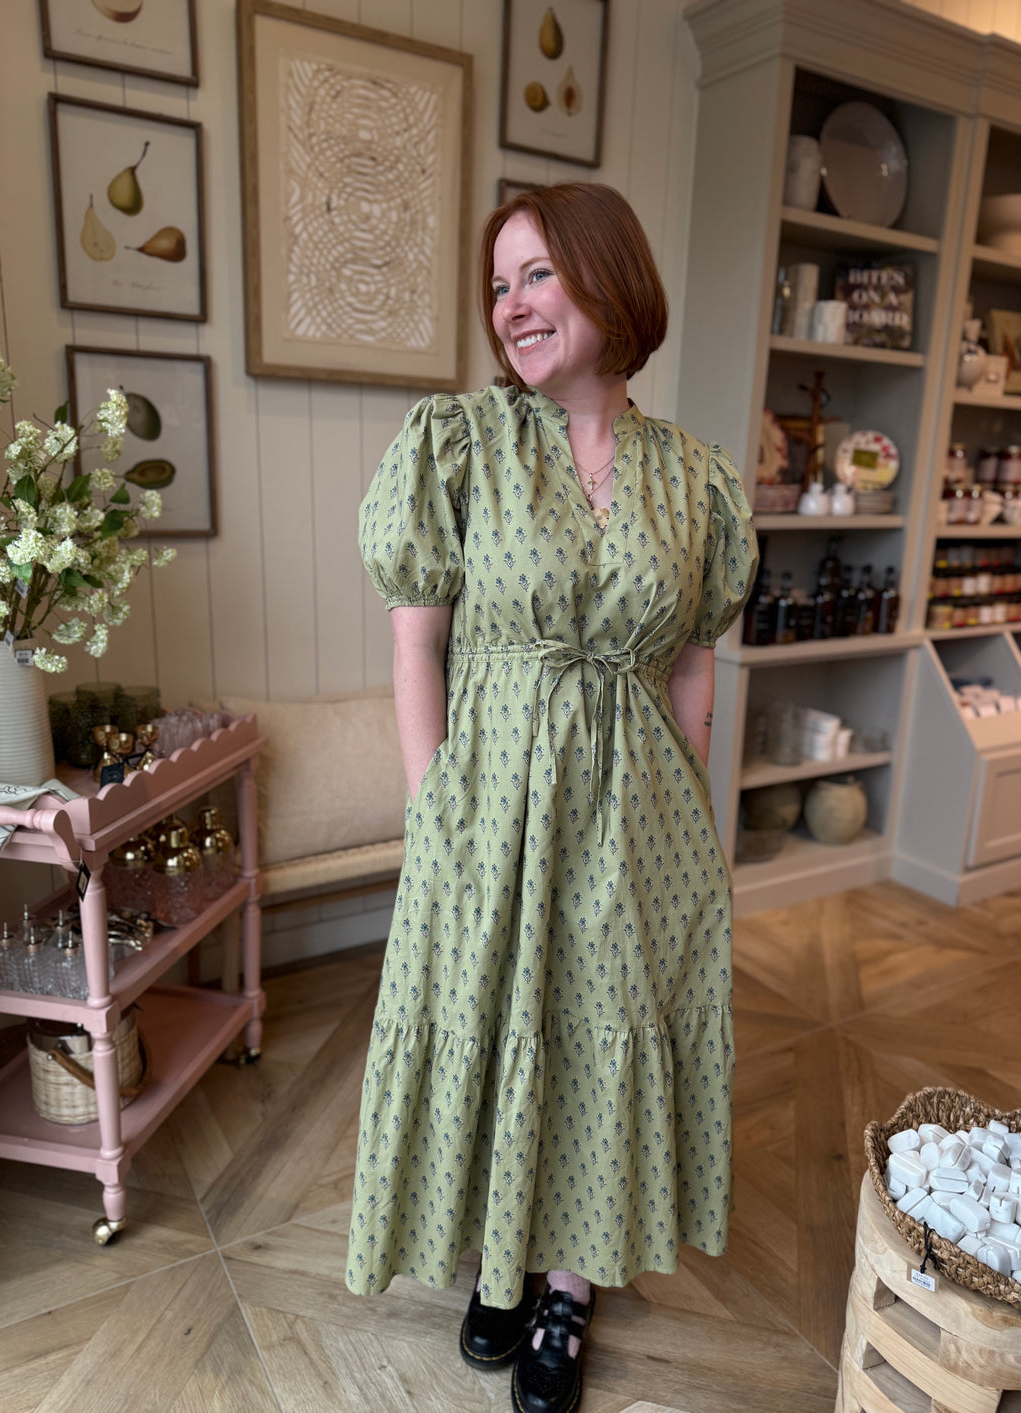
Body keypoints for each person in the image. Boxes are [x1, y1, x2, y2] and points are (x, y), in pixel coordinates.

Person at [346, 182, 758, 1413]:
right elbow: (416, 644)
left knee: (597, 1031)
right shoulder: (456, 445)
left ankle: (567, 1289)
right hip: (487, 811)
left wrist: (689, 818)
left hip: (640, 823)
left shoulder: (696, 482)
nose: (510, 306)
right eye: (498, 283)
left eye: (536, 274)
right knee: (487, 1016)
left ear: (609, 278)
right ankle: (499, 1259)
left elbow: (691, 665)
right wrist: (432, 818)